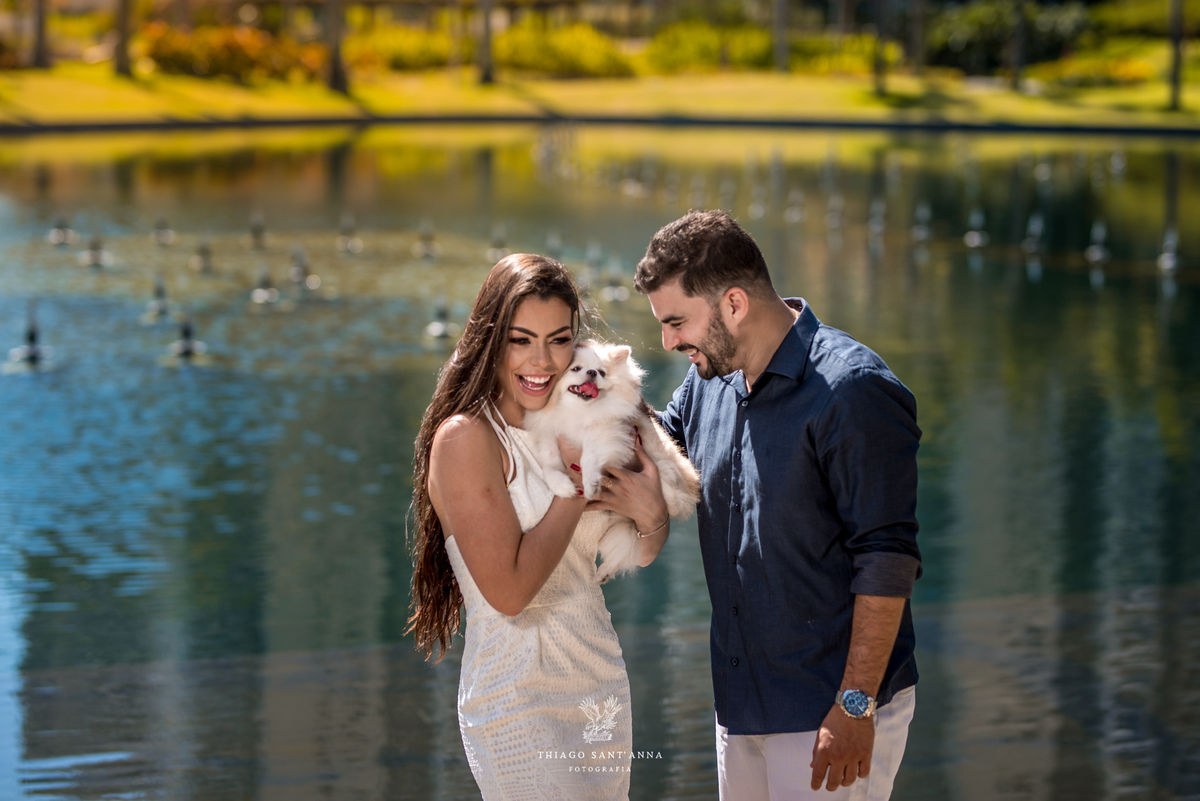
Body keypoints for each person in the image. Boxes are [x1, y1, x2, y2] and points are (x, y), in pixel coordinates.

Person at [633, 211, 922, 801]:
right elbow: (656, 445)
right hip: (741, 704)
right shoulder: (708, 380)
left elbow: (887, 560)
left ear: (734, 304)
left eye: (677, 322)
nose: (668, 342)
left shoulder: (852, 389)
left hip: (831, 712)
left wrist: (855, 705)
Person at [408, 253, 671, 799]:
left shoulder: (585, 417)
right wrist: (577, 480)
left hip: (598, 682)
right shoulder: (466, 440)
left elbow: (640, 553)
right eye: (520, 339)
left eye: (559, 340)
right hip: (516, 698)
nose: (542, 360)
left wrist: (653, 519)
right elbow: (508, 595)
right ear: (490, 340)